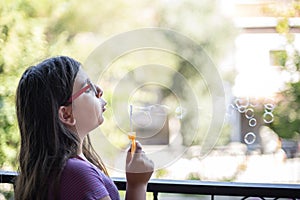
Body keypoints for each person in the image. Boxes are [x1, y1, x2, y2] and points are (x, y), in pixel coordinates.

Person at [14, 56, 154, 200]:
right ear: (67, 114)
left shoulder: (54, 169)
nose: (99, 90)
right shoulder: (77, 174)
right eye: (87, 89)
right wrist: (137, 185)